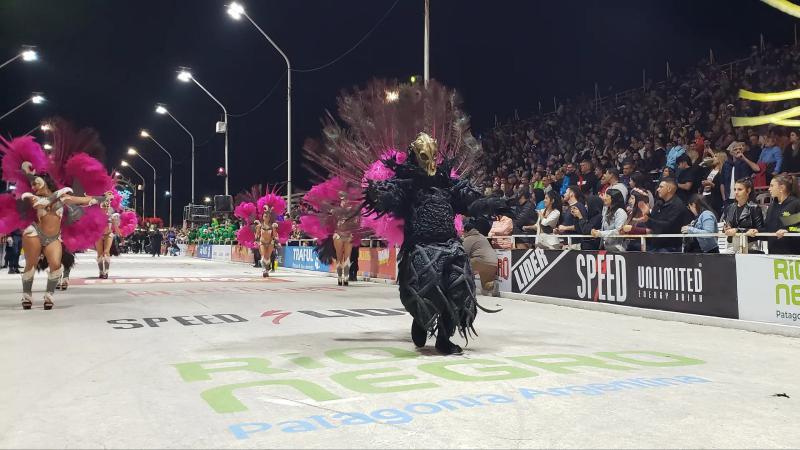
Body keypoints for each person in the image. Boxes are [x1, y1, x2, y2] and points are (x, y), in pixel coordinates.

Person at [364, 132, 511, 355]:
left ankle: (444, 338)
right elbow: (391, 196)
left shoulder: (448, 185)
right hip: (421, 247)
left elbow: (470, 201)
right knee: (426, 290)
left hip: (450, 245)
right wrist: (378, 193)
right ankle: (422, 321)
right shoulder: (407, 186)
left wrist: (492, 204)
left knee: (460, 290)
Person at [642, 178, 689, 252]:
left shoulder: (678, 205)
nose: (657, 189)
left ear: (669, 189)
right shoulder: (658, 203)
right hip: (656, 243)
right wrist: (647, 214)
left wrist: (648, 219)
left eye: (661, 187)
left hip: (671, 246)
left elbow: (667, 226)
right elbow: (653, 224)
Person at [721, 178, 764, 253]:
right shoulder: (730, 207)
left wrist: (737, 230)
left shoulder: (754, 208)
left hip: (749, 245)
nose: (736, 192)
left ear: (748, 191)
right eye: (735, 189)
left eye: (740, 189)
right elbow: (726, 225)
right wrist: (726, 228)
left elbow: (760, 231)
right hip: (732, 244)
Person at [462, 217, 499, 297]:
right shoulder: (482, 236)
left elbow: (463, 254)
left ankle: (467, 288)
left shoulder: (468, 239)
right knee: (485, 286)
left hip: (480, 261)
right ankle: (493, 284)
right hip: (493, 262)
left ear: (466, 231)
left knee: (463, 267)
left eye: (463, 232)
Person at [764, 174, 800, 255]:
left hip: (792, 255)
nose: (769, 189)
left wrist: (788, 231)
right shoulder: (771, 207)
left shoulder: (796, 204)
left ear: (782, 188)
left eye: (772, 186)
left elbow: (798, 228)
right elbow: (767, 229)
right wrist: (756, 231)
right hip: (772, 254)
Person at [95, 197, 120, 279]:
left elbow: (116, 228)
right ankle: (101, 271)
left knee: (106, 253)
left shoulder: (112, 216)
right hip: (98, 235)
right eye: (104, 206)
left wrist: (120, 233)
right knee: (99, 253)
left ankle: (106, 272)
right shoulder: (96, 216)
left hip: (108, 235)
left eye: (107, 206)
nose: (105, 207)